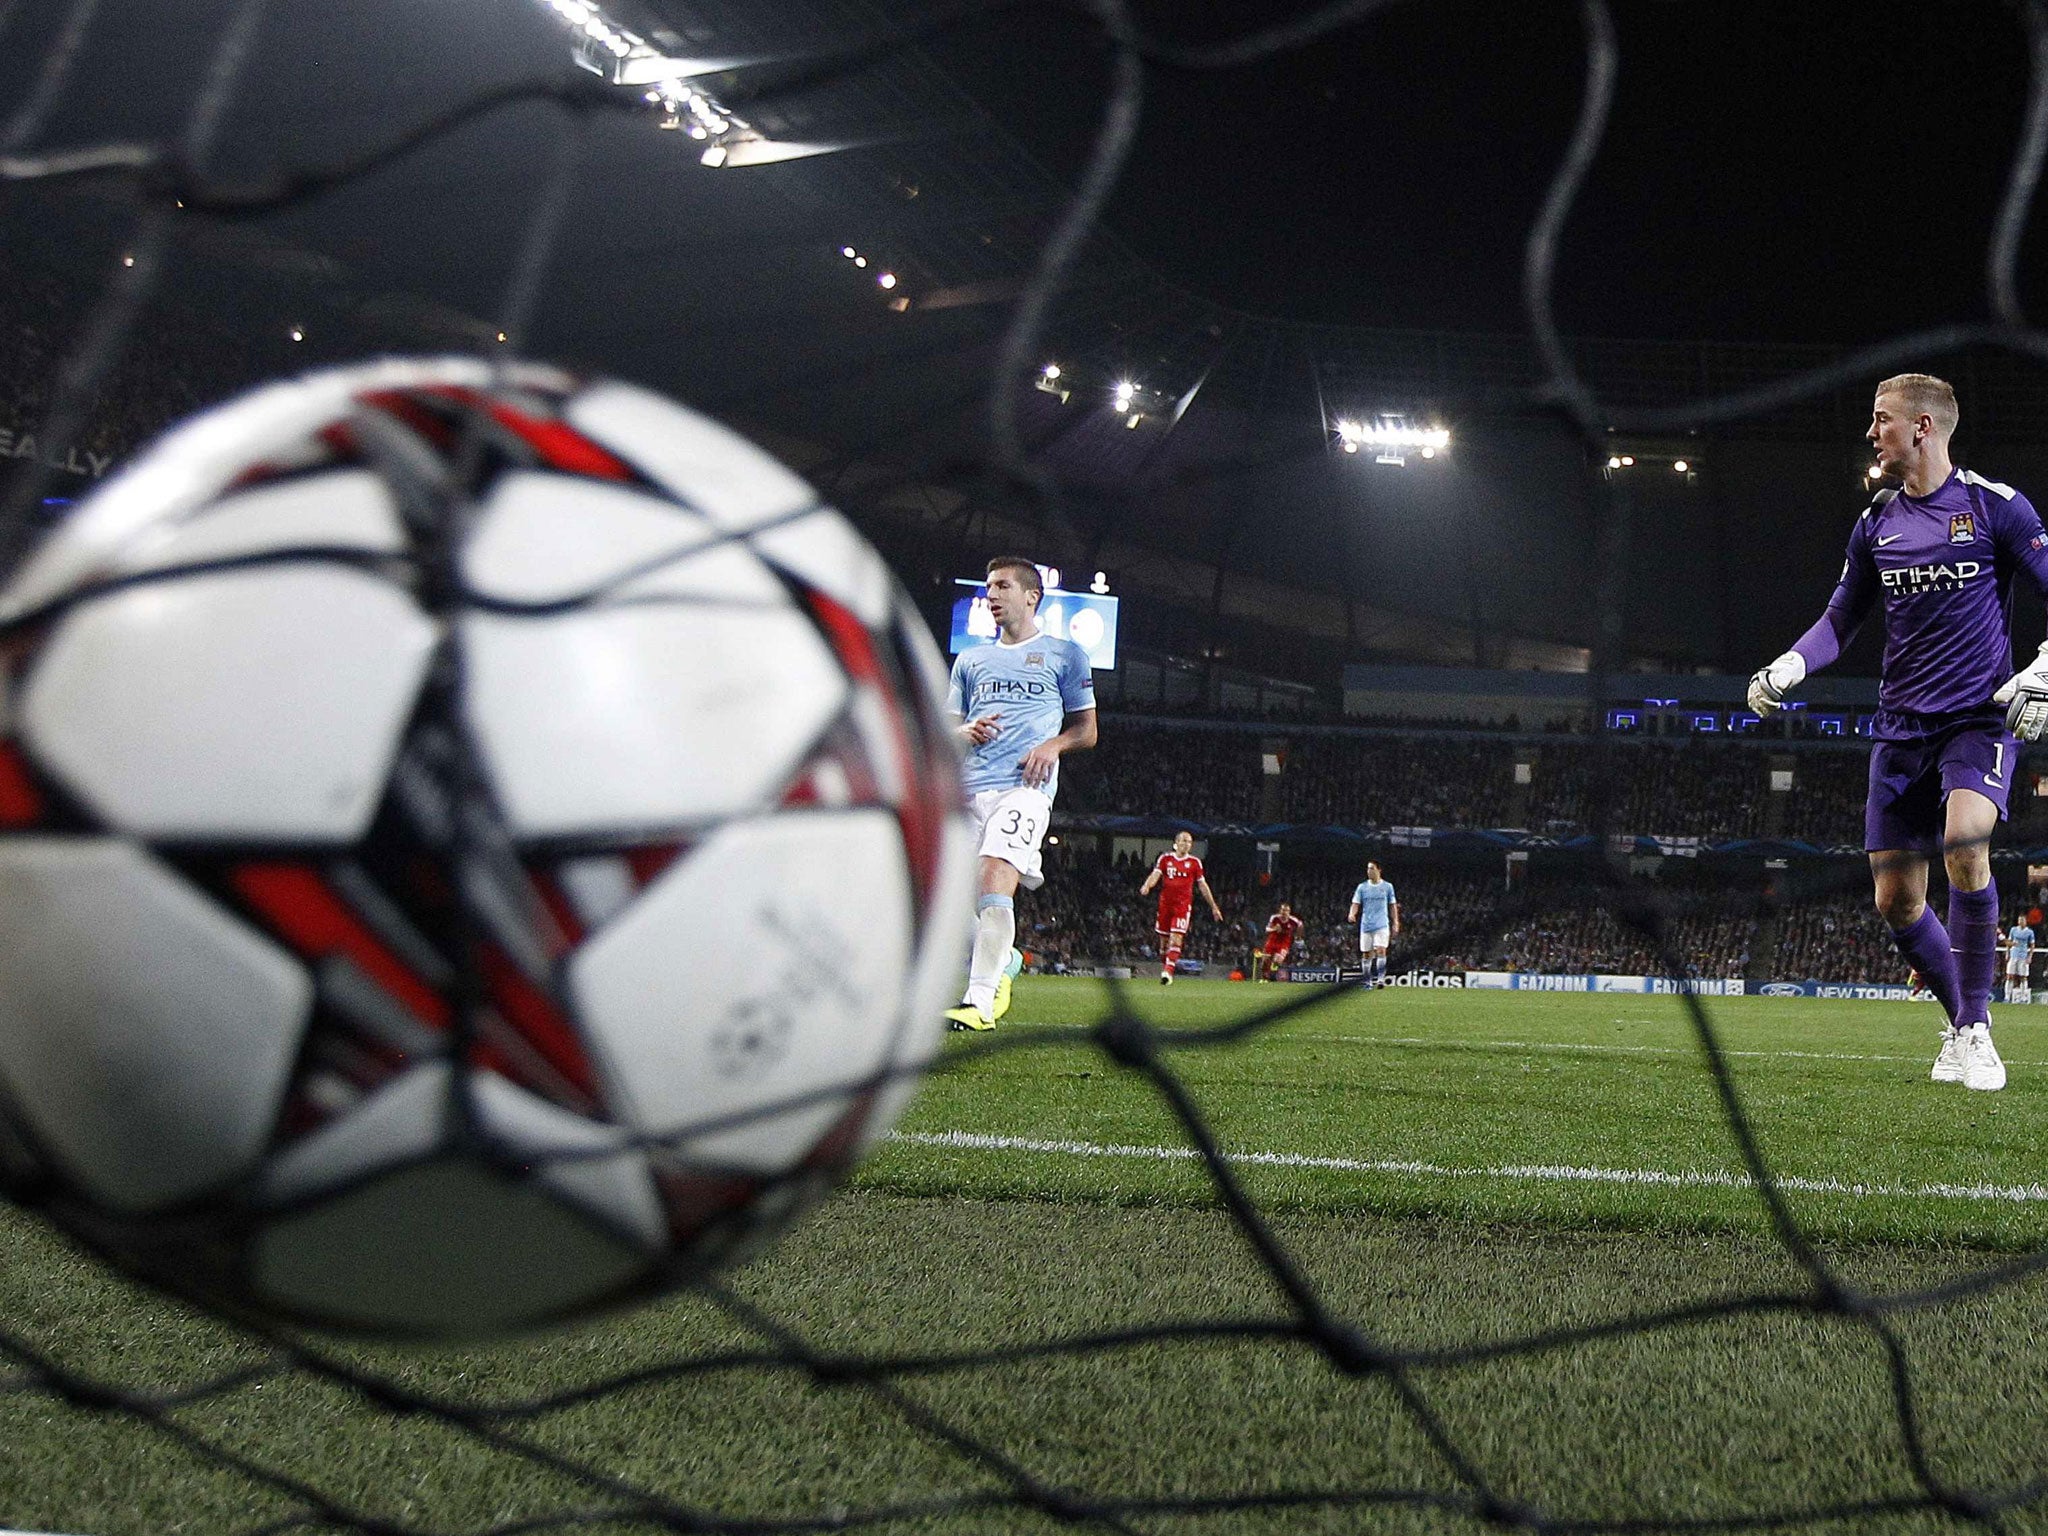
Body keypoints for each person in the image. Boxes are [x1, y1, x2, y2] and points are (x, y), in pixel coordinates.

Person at [1748, 373, 2048, 1091]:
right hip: (1900, 729)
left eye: (1880, 419)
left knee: (1964, 848)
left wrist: (2045, 670)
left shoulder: (1994, 508)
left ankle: (1976, 1028)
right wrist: (1792, 663)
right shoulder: (1875, 521)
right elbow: (1842, 619)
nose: (1870, 432)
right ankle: (1959, 1024)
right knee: (1895, 902)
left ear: (1922, 428)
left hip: (1978, 719)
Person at [941, 557, 1098, 1030]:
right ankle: (1004, 958)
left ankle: (980, 1003)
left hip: (1025, 789)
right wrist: (965, 731)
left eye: (1002, 586)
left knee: (994, 878)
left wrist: (1053, 744)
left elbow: (1087, 731)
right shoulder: (970, 660)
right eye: (988, 586)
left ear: (1031, 596)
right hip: (970, 789)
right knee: (944, 901)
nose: (991, 594)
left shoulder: (1066, 655)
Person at [1137, 830, 1224, 985]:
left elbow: (1202, 885)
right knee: (1163, 945)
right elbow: (1155, 875)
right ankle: (1168, 965)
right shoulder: (1165, 859)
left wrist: (1214, 906)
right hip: (1165, 905)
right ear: (1176, 843)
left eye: (1189, 842)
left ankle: (1168, 973)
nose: (1186, 844)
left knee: (1176, 938)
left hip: (1182, 907)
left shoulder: (1195, 863)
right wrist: (1147, 885)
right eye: (1183, 840)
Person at [1347, 862, 1399, 986]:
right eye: (1368, 869)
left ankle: (1380, 979)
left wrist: (1395, 922)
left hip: (1382, 924)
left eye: (1371, 868)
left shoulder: (1387, 887)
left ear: (1379, 870)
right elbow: (1355, 903)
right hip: (1366, 925)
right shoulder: (1362, 887)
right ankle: (1367, 980)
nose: (1368, 871)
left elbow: (1392, 905)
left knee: (1381, 950)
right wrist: (1351, 914)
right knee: (1367, 954)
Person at [1253, 901, 1305, 982]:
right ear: (1280, 911)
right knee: (1265, 961)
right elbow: (1267, 929)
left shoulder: (1293, 920)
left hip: (1284, 942)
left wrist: (1298, 936)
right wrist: (1274, 929)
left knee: (1278, 961)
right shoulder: (1274, 918)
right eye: (1283, 910)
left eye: (1286, 911)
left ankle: (1272, 970)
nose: (1284, 912)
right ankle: (1265, 978)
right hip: (1272, 940)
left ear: (1289, 912)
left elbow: (1300, 925)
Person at [2001, 914, 2036, 1006]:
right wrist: (2007, 953)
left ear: (2026, 921)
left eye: (2022, 920)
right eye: (2019, 920)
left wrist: (2030, 956)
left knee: (2023, 977)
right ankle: (2007, 996)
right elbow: (2009, 942)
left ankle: (2023, 997)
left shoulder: (2029, 932)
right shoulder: (2013, 930)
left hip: (2023, 956)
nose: (2021, 922)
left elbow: (2032, 945)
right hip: (2013, 955)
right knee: (2009, 975)